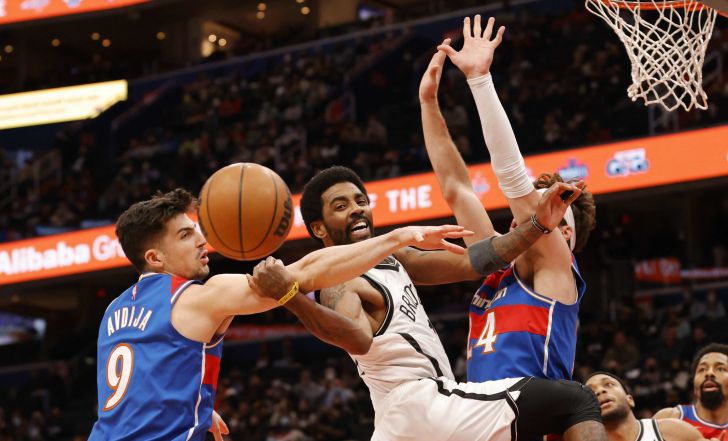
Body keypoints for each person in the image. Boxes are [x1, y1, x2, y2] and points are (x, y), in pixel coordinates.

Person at [248, 166, 605, 441]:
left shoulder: (393, 258)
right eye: (341, 207)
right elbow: (357, 339)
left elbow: (476, 263)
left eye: (360, 201)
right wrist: (291, 297)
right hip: (419, 403)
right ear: (319, 229)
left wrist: (538, 225)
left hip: (412, 419)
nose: (356, 210)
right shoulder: (338, 276)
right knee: (576, 401)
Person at [88, 188, 473, 441]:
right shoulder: (198, 297)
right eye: (185, 235)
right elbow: (305, 272)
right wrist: (397, 237)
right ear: (155, 257)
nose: (202, 240)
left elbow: (138, 377)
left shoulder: (114, 310)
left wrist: (196, 405)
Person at [428, 15, 596, 382]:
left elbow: (514, 180)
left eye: (546, 207)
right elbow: (456, 188)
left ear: (565, 234)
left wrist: (480, 80)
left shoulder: (556, 264)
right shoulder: (497, 264)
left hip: (530, 409)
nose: (525, 214)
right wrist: (427, 102)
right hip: (482, 410)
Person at [586, 372, 718, 441]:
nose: (600, 391)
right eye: (591, 392)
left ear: (630, 399)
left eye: (608, 384)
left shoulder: (671, 430)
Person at [654, 344, 728, 439]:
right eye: (702, 369)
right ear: (694, 387)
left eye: (720, 369)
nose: (709, 373)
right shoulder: (669, 417)